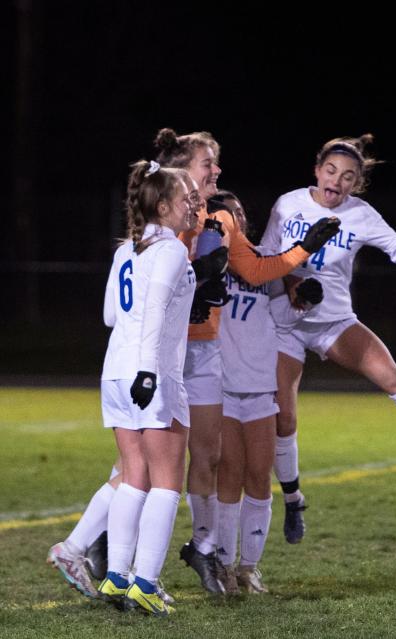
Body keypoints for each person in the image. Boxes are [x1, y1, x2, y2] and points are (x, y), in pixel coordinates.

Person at [261, 133, 396, 545]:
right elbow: (267, 259)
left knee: (392, 376)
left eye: (347, 177)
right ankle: (293, 499)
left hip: (333, 322)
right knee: (284, 418)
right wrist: (291, 285)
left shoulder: (360, 214)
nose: (337, 181)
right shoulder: (288, 204)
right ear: (316, 170)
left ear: (355, 184)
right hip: (284, 324)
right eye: (331, 171)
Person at [153, 128, 340, 592]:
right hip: (191, 368)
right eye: (208, 165)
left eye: (235, 214)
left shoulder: (244, 251)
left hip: (238, 379)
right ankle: (132, 551)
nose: (228, 217)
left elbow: (276, 280)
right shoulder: (186, 236)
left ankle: (231, 560)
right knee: (188, 469)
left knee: (236, 469)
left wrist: (303, 279)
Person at [91, 160, 198, 616]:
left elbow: (111, 317)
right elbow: (153, 308)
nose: (193, 205)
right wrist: (151, 371)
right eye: (186, 198)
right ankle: (147, 584)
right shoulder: (171, 249)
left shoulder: (125, 251)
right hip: (148, 372)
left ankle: (117, 577)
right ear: (163, 205)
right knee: (168, 482)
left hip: (115, 371)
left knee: (134, 475)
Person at [211, 191, 301, 594]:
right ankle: (225, 567)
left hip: (262, 384)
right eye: (229, 214)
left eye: (242, 211)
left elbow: (281, 315)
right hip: (223, 384)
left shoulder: (265, 261)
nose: (239, 218)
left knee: (259, 475)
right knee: (229, 473)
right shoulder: (211, 259)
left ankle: (248, 567)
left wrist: (304, 304)